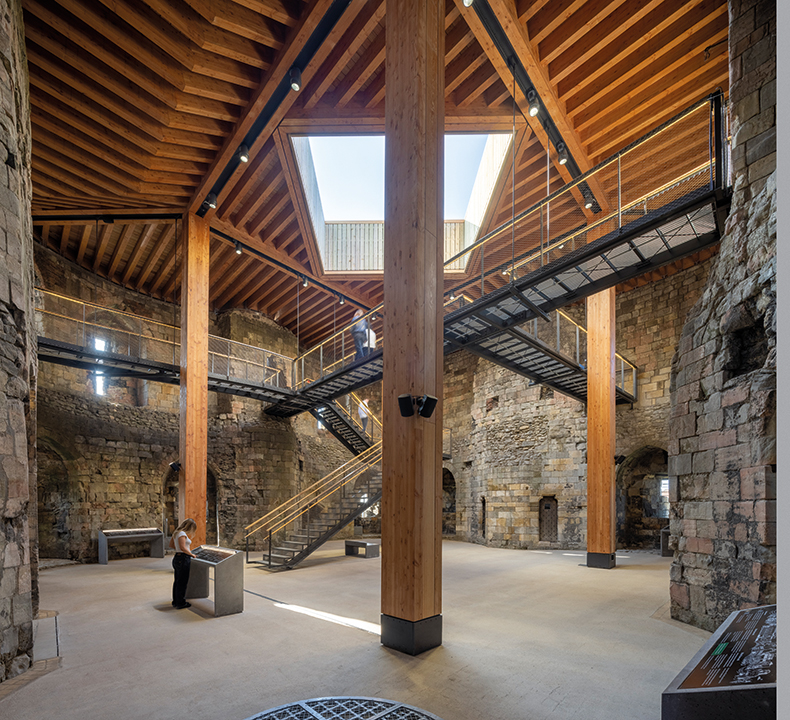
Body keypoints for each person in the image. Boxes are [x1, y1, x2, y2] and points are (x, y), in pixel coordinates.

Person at [170, 518, 198, 609]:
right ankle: (181, 603)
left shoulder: (176, 533)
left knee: (177, 581)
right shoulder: (182, 534)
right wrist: (191, 554)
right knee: (182, 582)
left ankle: (176, 601)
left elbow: (171, 545)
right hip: (183, 558)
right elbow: (183, 547)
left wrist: (178, 549)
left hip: (177, 558)